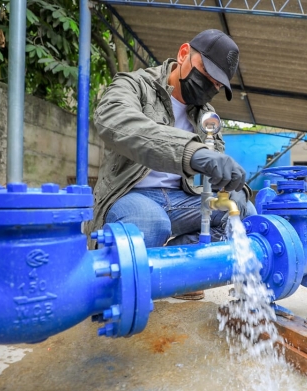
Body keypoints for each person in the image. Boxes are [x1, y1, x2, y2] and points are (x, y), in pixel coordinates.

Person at [87, 29, 256, 300]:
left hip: (180, 200)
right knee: (152, 221)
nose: (208, 85)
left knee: (243, 211)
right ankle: (116, 290)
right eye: (205, 72)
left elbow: (217, 162)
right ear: (183, 53)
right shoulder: (135, 85)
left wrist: (235, 186)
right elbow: (113, 119)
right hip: (129, 196)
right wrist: (192, 152)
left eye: (216, 84)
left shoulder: (207, 115)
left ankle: (183, 274)